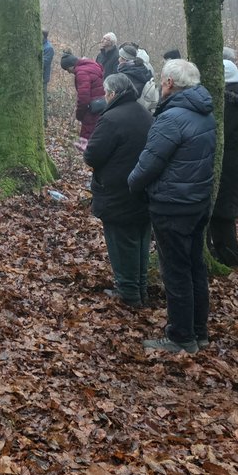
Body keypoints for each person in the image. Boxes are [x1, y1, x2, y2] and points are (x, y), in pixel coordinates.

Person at [127, 58, 216, 354]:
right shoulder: (205, 112)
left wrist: (133, 182)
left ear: (168, 83)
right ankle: (198, 331)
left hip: (173, 204)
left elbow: (151, 160)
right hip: (197, 202)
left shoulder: (172, 117)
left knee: (176, 270)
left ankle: (181, 337)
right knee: (194, 266)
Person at [84, 73, 153, 307]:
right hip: (142, 188)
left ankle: (129, 293)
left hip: (117, 192)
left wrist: (87, 147)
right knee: (141, 240)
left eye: (105, 92)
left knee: (122, 243)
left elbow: (92, 155)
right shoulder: (144, 113)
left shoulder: (112, 118)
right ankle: (140, 288)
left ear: (112, 94)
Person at [208, 60, 238, 268]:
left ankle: (231, 261)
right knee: (221, 215)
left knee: (223, 216)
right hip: (235, 164)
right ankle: (225, 256)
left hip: (227, 167)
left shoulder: (229, 105)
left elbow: (219, 136)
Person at [60, 52, 105, 144]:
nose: (69, 72)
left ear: (71, 66)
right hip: (102, 104)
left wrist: (79, 114)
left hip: (91, 109)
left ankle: (88, 155)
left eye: (67, 70)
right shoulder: (92, 64)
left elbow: (83, 98)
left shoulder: (81, 73)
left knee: (88, 135)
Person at [117, 43, 159, 111]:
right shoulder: (143, 69)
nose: (118, 59)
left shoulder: (126, 76)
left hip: (130, 110)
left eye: (120, 57)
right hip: (143, 109)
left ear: (125, 59)